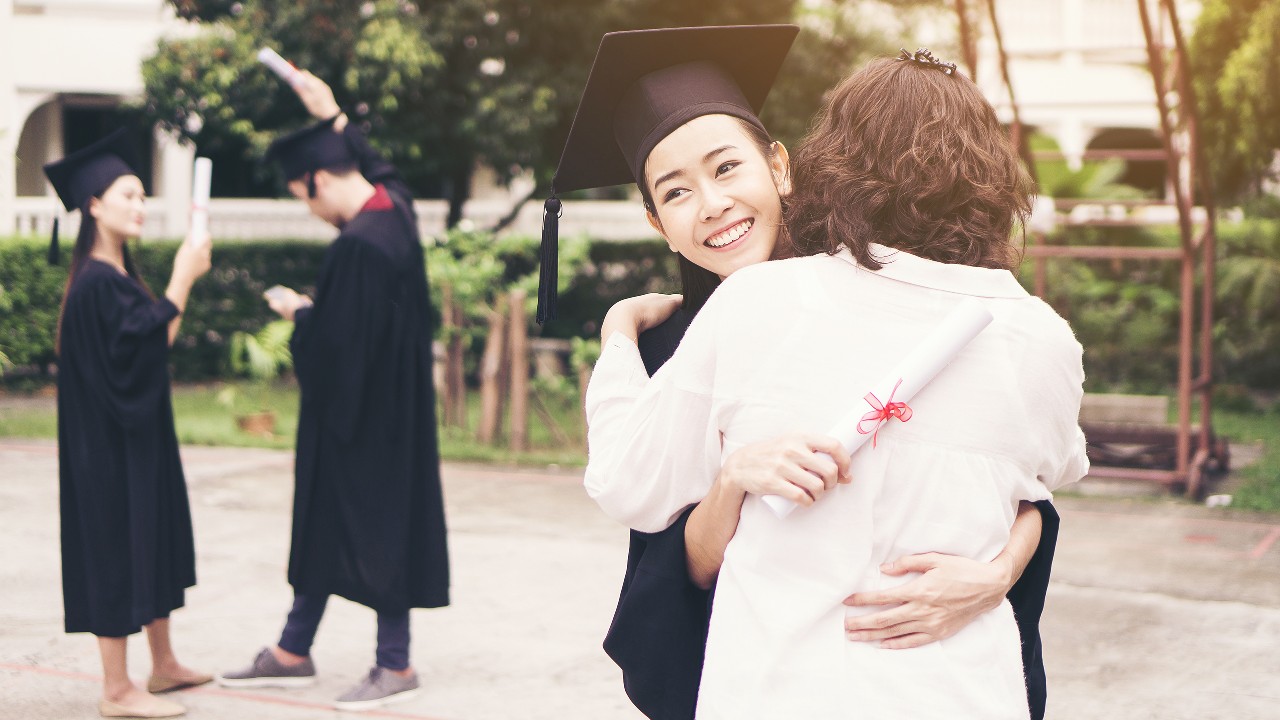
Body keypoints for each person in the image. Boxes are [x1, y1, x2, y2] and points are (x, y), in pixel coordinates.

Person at [544, 27, 1063, 719]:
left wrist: (996, 574)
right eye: (676, 192)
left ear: (780, 167)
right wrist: (732, 481)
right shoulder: (668, 351)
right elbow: (671, 571)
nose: (713, 204)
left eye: (727, 168)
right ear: (657, 222)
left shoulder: (898, 286)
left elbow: (1022, 491)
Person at [217, 71, 449, 711]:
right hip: (386, 410)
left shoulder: (358, 247)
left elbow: (338, 348)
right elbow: (389, 170)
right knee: (323, 524)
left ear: (317, 180)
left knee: (377, 531)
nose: (309, 209)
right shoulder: (394, 211)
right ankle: (293, 649)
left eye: (302, 197)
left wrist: (299, 314)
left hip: (363, 420)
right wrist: (335, 114)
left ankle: (395, 663)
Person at [45, 128, 213, 719]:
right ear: (93, 204)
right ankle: (116, 690)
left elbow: (152, 341)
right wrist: (183, 277)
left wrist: (176, 286)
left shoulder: (116, 277)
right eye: (128, 196)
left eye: (143, 197)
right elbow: (143, 343)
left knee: (153, 536)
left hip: (137, 436)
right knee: (119, 544)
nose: (140, 206)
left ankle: (163, 665)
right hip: (107, 448)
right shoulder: (95, 284)